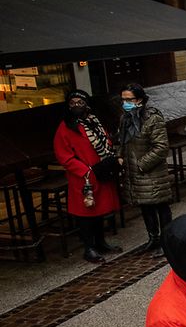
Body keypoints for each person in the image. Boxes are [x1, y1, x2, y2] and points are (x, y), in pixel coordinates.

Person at [54, 90, 123, 263]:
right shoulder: (66, 127)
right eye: (72, 103)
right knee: (85, 214)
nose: (76, 106)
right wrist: (84, 170)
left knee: (99, 211)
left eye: (80, 102)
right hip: (83, 177)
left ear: (87, 104)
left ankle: (100, 243)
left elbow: (106, 142)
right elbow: (64, 155)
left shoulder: (94, 122)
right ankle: (89, 247)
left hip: (100, 171)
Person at [117, 84, 174, 255]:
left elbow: (162, 147)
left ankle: (167, 241)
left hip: (151, 172)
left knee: (160, 206)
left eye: (129, 99)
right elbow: (122, 140)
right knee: (145, 207)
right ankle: (153, 238)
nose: (125, 103)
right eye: (123, 99)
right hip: (134, 172)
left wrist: (142, 164)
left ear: (139, 100)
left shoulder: (152, 118)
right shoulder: (125, 118)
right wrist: (120, 155)